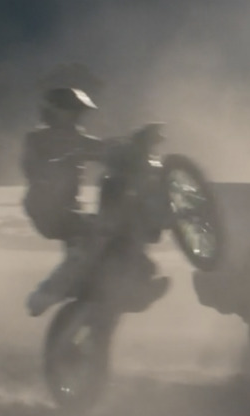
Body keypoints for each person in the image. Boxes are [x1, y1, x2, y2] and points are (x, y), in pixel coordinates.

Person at [21, 87, 167, 316]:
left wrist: (138, 142)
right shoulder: (37, 139)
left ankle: (127, 286)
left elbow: (105, 148)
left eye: (79, 112)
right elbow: (33, 168)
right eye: (72, 110)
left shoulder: (78, 139)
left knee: (113, 234)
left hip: (69, 210)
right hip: (45, 207)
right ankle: (46, 293)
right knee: (91, 240)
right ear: (54, 111)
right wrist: (62, 161)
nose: (76, 116)